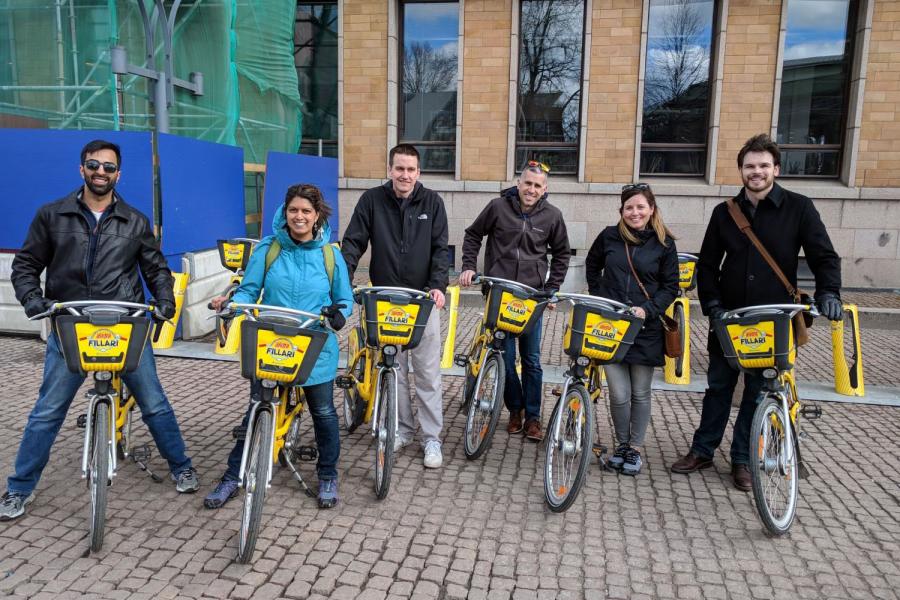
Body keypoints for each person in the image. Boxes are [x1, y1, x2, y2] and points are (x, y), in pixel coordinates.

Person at [2, 139, 198, 521]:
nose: (100, 172)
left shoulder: (136, 221)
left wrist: (164, 304)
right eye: (93, 165)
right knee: (47, 411)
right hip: (70, 325)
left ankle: (181, 466)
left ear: (118, 174)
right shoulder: (52, 215)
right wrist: (34, 301)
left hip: (125, 325)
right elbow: (25, 265)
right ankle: (18, 489)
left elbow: (156, 270)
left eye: (108, 167)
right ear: (82, 169)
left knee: (154, 403)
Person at [671, 133, 843, 491]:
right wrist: (713, 306)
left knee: (759, 391)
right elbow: (707, 267)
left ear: (776, 169)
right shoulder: (724, 213)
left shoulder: (800, 208)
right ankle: (703, 450)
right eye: (750, 166)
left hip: (774, 320)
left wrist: (830, 293)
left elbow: (824, 257)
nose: (757, 172)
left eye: (764, 165)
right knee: (718, 386)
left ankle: (742, 459)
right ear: (741, 171)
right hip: (729, 318)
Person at [204, 184, 353, 509]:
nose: (299, 217)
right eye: (293, 210)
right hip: (271, 342)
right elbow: (249, 290)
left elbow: (345, 299)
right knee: (256, 410)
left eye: (306, 211)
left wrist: (338, 315)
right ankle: (233, 475)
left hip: (315, 346)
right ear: (285, 213)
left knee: (324, 412)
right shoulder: (269, 249)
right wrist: (232, 304)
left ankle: (327, 474)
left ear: (317, 217)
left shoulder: (330, 255)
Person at [341, 144, 449, 468]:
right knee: (394, 368)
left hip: (422, 301)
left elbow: (441, 250)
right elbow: (353, 243)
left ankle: (432, 439)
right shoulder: (371, 201)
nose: (405, 175)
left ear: (418, 172)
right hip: (385, 300)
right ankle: (402, 429)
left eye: (411, 169)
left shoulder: (433, 203)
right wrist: (343, 280)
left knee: (428, 373)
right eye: (399, 168)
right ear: (390, 169)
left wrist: (438, 286)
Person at [459, 161, 571, 441]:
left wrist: (551, 287)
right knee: (505, 359)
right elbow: (473, 234)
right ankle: (515, 410)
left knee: (531, 359)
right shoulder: (498, 207)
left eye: (537, 186)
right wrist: (469, 266)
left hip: (532, 298)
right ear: (519, 183)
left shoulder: (553, 216)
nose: (531, 190)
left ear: (545, 189)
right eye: (527, 184)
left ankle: (534, 417)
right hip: (500, 294)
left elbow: (562, 254)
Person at [584, 183, 678, 475]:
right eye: (629, 208)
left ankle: (634, 448)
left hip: (645, 328)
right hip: (611, 325)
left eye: (640, 207)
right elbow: (592, 264)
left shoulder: (665, 243)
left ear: (651, 209)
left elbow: (670, 286)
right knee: (618, 392)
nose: (635, 212)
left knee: (640, 392)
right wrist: (602, 296)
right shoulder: (609, 237)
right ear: (621, 211)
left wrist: (648, 310)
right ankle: (621, 444)